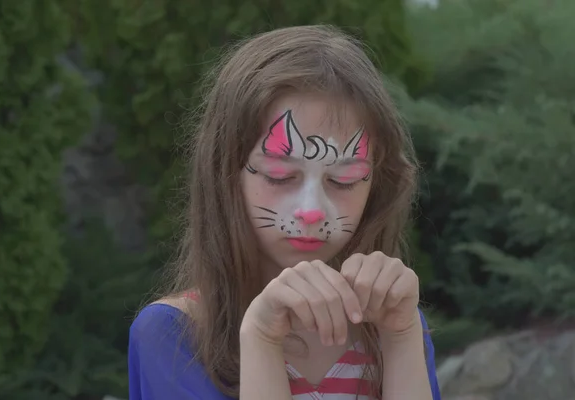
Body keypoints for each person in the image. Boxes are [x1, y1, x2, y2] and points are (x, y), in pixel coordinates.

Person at [128, 25, 441, 400]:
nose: (311, 211)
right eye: (280, 175)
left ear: (376, 184)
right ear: (226, 174)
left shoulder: (393, 324)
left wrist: (402, 337)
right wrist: (260, 338)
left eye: (343, 181)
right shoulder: (176, 333)